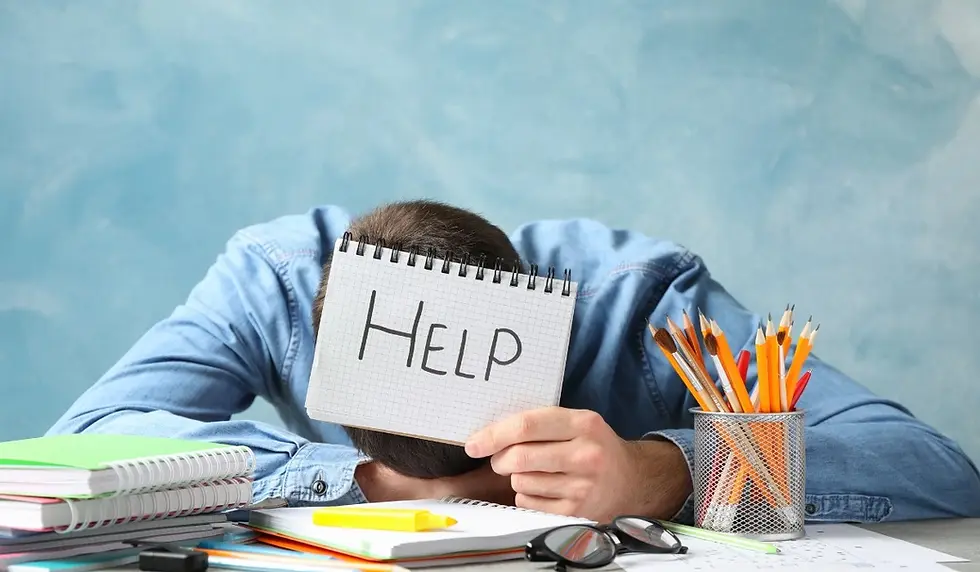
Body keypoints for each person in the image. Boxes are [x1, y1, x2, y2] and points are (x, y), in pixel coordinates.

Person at [47, 200, 980, 524]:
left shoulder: (635, 298)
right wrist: (363, 482)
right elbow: (80, 441)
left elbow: (939, 470)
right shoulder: (278, 280)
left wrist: (659, 472)